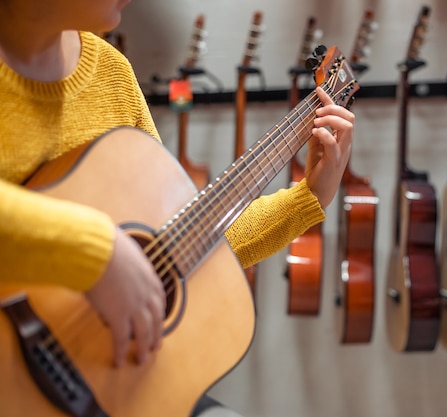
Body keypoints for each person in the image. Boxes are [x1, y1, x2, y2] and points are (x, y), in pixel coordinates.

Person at [0, 0, 354, 413]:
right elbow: (115, 258)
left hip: (99, 386)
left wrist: (307, 198)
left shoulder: (110, 73)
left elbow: (175, 249)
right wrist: (98, 254)